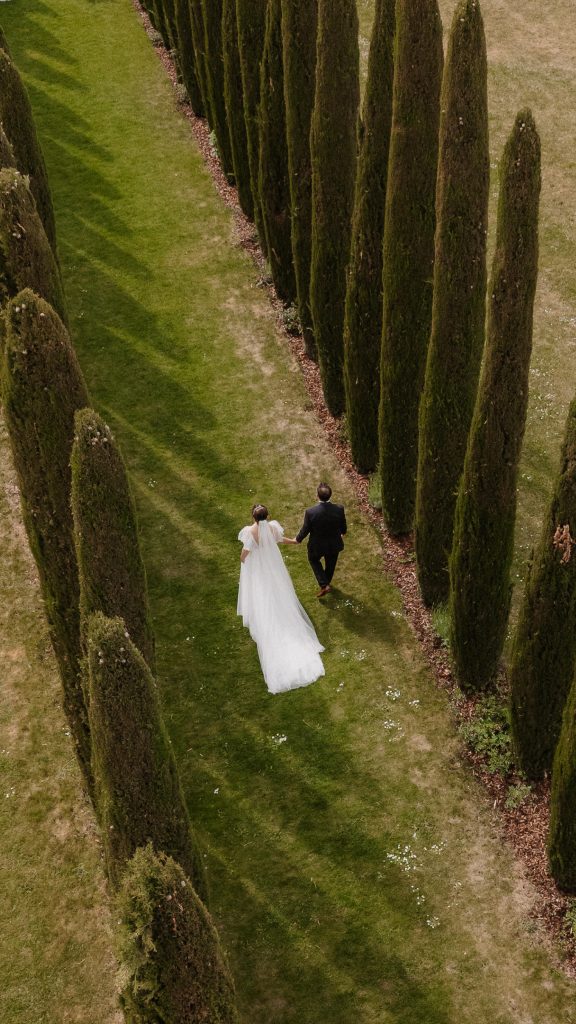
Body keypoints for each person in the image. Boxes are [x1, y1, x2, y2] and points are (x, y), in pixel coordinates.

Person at [237, 503, 325, 694]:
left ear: (253, 517)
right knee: (279, 589)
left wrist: (244, 561)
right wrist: (294, 542)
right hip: (274, 568)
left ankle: (266, 614)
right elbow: (281, 539)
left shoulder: (249, 533)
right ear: (267, 516)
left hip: (260, 568)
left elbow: (245, 554)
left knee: (262, 592)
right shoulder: (273, 528)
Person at [295, 483, 347, 597]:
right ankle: (326, 584)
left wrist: (298, 539)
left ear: (317, 496)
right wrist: (342, 533)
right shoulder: (339, 509)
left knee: (313, 560)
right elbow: (343, 527)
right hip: (334, 544)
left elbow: (305, 529)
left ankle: (324, 585)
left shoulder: (311, 512)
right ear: (330, 495)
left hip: (317, 545)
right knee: (330, 565)